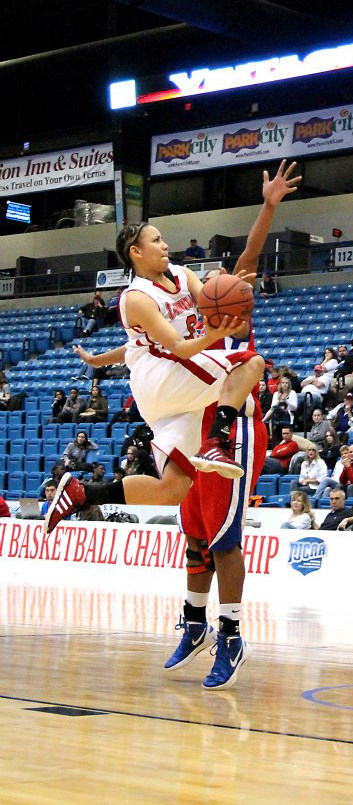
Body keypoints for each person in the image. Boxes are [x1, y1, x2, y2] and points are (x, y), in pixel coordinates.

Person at [44, 172, 282, 539]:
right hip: (164, 377)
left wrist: (222, 295)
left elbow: (140, 345)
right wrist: (216, 332)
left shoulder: (183, 275)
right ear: (136, 252)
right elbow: (179, 347)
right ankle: (217, 442)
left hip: (175, 384)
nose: (165, 244)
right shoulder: (136, 297)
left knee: (174, 488)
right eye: (156, 240)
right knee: (251, 363)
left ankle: (81, 493)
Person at [163, 159, 299, 689]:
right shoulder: (189, 322)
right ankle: (194, 623)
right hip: (197, 433)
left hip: (236, 433)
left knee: (223, 539)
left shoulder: (238, 312)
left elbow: (249, 255)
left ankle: (233, 635)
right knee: (194, 535)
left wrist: (267, 206)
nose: (215, 287)